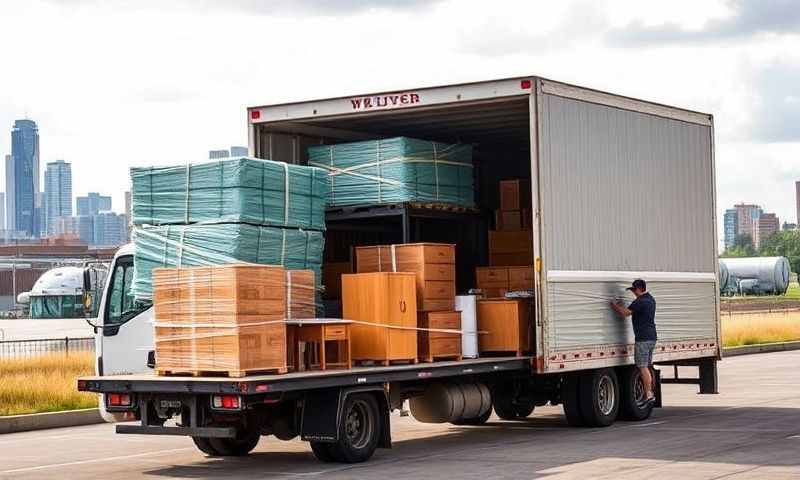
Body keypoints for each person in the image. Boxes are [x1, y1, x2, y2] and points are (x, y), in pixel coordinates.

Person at [610, 279, 657, 406]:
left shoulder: (640, 302)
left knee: (642, 366)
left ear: (639, 289)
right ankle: (651, 391)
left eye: (634, 290)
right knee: (647, 365)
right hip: (652, 337)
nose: (633, 293)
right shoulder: (651, 299)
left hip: (643, 338)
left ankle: (648, 394)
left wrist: (614, 305)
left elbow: (625, 313)